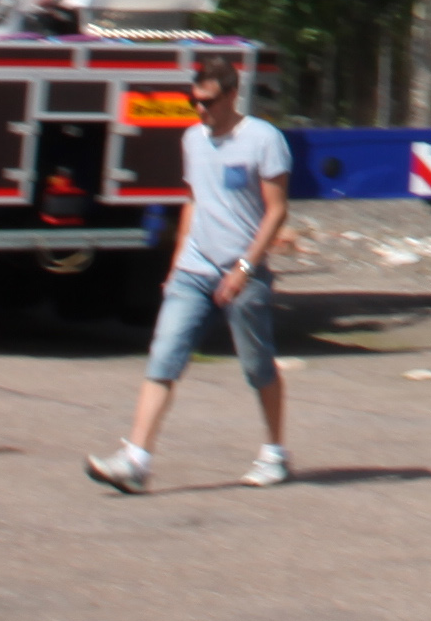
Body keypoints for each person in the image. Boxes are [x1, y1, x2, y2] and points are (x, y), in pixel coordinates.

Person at [95, 46, 295, 493]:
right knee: (164, 355)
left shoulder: (263, 139)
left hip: (243, 271)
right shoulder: (192, 139)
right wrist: (175, 264)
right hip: (194, 269)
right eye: (194, 102)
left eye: (208, 102)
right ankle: (136, 460)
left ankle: (275, 454)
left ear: (232, 94)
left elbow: (277, 211)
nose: (200, 110)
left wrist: (244, 268)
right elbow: (193, 200)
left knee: (257, 365)